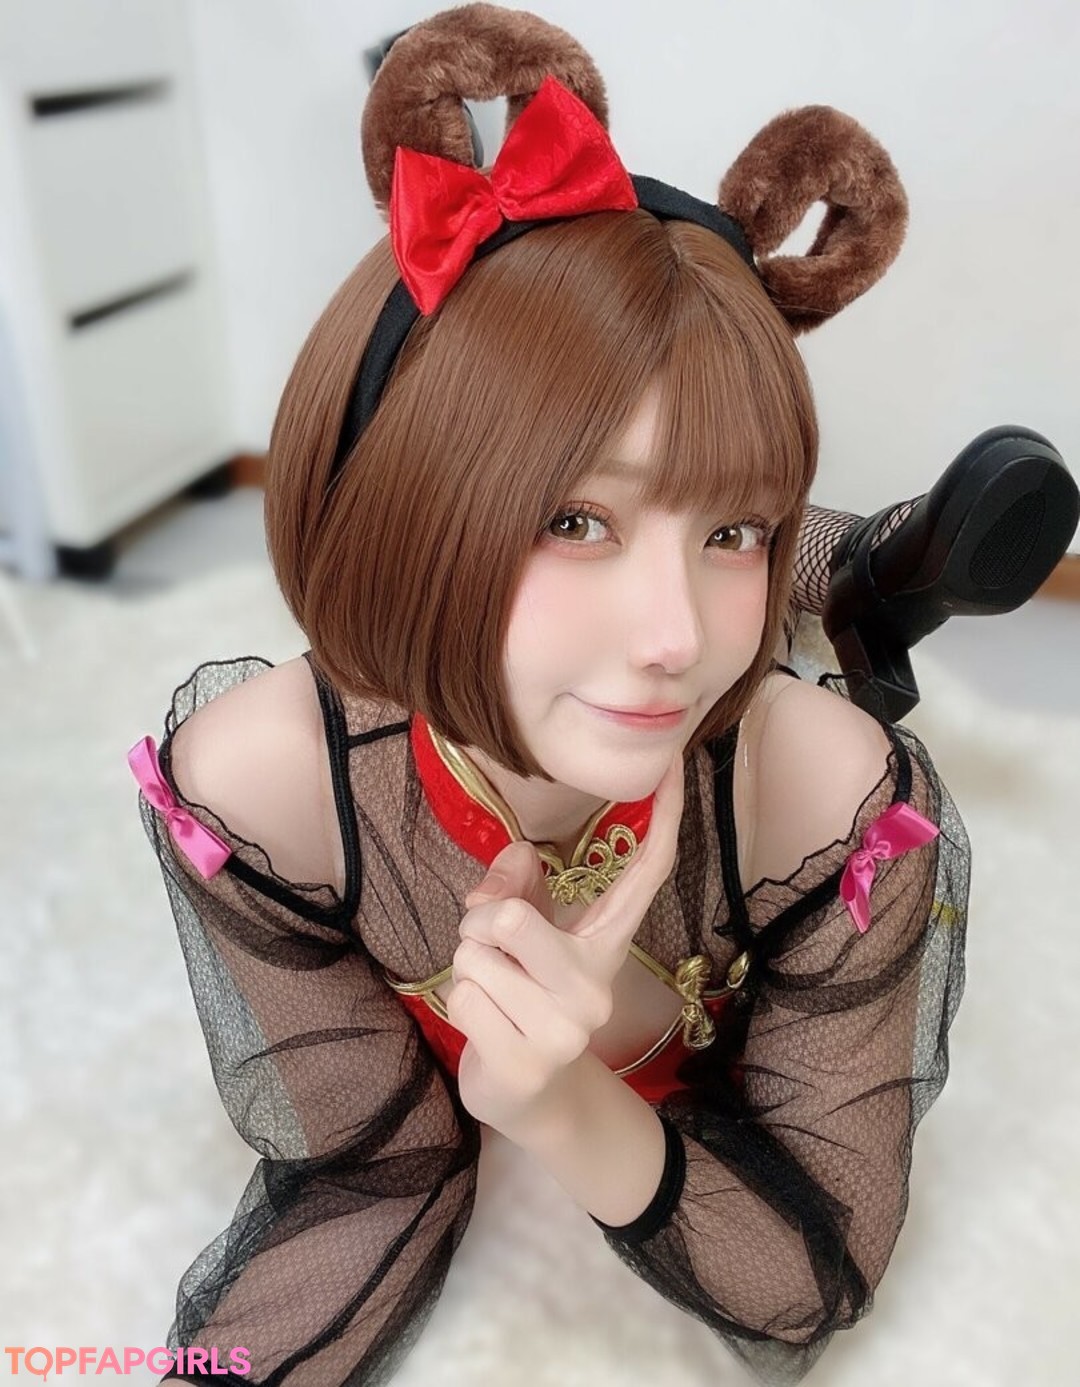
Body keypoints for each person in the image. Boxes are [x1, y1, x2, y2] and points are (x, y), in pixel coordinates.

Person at [127, 6, 1070, 1383]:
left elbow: (808, 1275)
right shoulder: (260, 791)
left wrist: (564, 1107)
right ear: (398, 505)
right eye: (573, 522)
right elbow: (365, 1168)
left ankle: (847, 559)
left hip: (758, 783)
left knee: (746, 640)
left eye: (737, 530)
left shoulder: (831, 805)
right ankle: (857, 560)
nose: (678, 638)